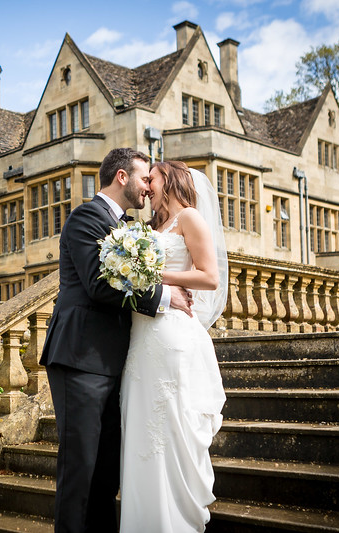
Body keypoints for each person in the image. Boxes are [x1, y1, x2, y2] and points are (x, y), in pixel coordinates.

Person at [40, 148, 193, 533]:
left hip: (117, 363)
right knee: (80, 470)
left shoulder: (130, 227)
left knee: (107, 475)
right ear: (122, 177)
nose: (149, 188)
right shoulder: (84, 218)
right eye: (145, 178)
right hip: (80, 359)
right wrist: (163, 296)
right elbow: (97, 284)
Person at [119, 161, 228, 532]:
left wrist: (150, 272)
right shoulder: (151, 228)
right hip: (141, 339)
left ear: (171, 181)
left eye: (152, 177)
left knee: (169, 433)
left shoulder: (190, 218)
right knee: (140, 431)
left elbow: (210, 276)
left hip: (171, 338)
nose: (146, 184)